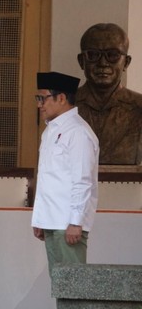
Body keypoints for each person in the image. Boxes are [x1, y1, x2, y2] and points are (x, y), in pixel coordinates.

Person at [31, 72, 99, 280]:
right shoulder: (51, 130)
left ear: (61, 98)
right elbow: (49, 179)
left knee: (74, 286)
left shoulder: (77, 132)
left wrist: (76, 222)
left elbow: (82, 180)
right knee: (61, 286)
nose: (39, 104)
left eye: (43, 98)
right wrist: (40, 218)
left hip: (68, 224)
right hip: (52, 221)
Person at [76, 23, 142, 165]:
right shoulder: (65, 107)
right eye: (93, 55)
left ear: (126, 63)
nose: (103, 63)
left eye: (113, 55)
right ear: (82, 61)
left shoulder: (139, 107)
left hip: (125, 186)